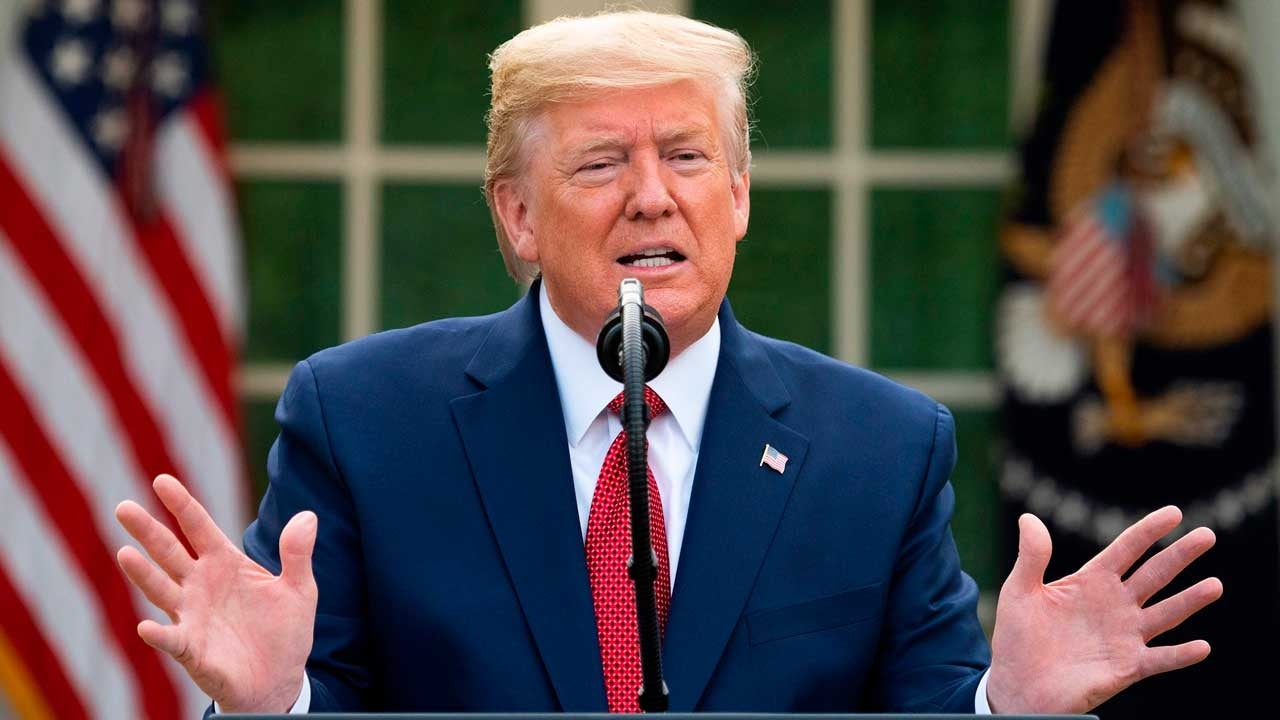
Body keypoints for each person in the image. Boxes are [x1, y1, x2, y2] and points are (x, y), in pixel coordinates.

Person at [113, 11, 1222, 715]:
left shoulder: (878, 448)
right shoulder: (363, 420)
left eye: (688, 156)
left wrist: (1003, 712)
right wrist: (276, 707)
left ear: (735, 197)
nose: (653, 193)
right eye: (602, 162)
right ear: (516, 217)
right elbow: (328, 695)